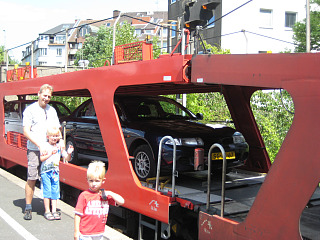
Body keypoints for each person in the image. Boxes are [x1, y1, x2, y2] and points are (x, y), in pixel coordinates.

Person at [22, 84, 62, 220]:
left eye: (49, 96)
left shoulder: (52, 111)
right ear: (38, 94)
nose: (46, 98)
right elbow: (26, 131)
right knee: (32, 177)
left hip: (50, 150)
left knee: (51, 177)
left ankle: (51, 209)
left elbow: (57, 129)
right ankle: (28, 207)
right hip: (35, 149)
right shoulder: (30, 110)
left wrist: (60, 142)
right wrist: (39, 145)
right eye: (44, 95)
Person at [74, 161, 125, 240]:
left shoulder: (105, 196)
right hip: (85, 234)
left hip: (99, 233)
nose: (94, 184)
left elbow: (122, 201)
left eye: (97, 181)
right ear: (87, 180)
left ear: (103, 181)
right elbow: (78, 215)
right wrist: (76, 231)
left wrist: (110, 193)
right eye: (91, 181)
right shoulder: (84, 195)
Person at [40, 126, 73, 221]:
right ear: (48, 137)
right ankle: (47, 211)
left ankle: (54, 210)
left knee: (55, 191)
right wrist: (50, 153)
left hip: (55, 172)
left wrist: (69, 153)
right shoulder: (45, 146)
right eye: (52, 136)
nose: (54, 138)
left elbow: (67, 158)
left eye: (56, 136)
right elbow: (41, 159)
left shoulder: (59, 147)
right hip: (46, 172)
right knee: (47, 191)